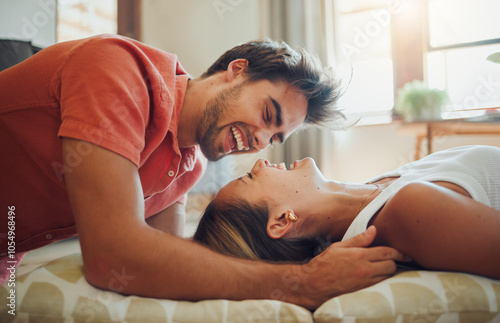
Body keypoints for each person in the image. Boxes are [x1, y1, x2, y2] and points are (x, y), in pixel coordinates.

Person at [0, 34, 406, 309]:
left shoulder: (187, 169)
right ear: (236, 70)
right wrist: (302, 283)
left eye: (275, 137)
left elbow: (161, 268)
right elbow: (113, 255)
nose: (260, 142)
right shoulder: (118, 69)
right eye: (268, 114)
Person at [194, 145, 500, 280]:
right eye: (249, 178)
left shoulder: (377, 188)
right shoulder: (406, 211)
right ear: (282, 220)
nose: (259, 163)